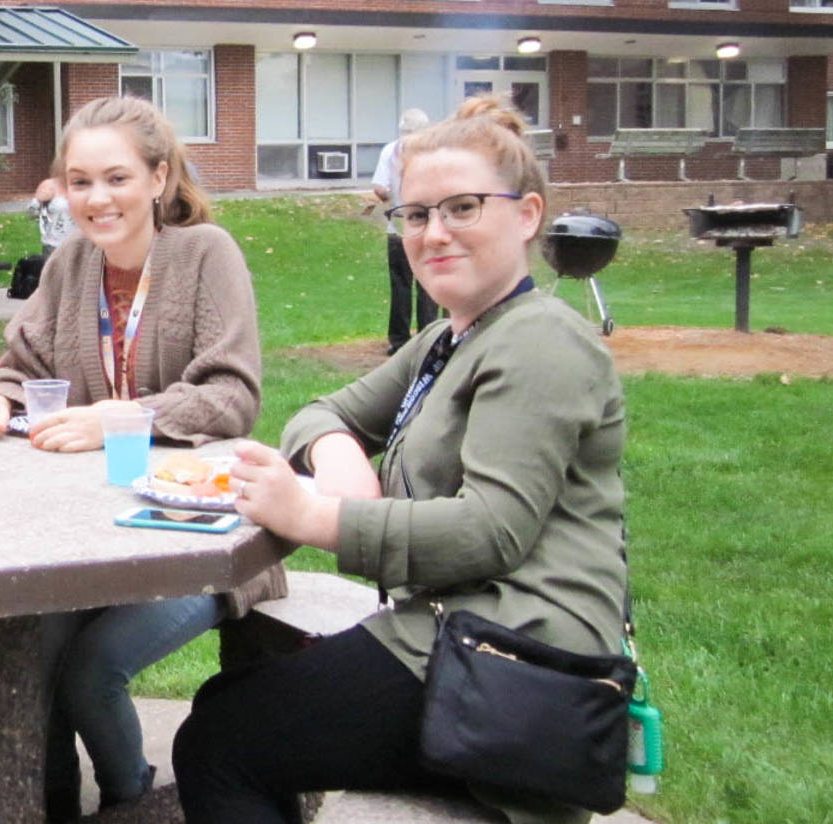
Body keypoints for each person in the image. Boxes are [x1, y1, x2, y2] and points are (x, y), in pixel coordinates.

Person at [172, 96, 628, 824]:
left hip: (518, 659)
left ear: (528, 215)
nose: (433, 233)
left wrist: (319, 517)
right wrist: (339, 454)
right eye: (415, 215)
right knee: (228, 703)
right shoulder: (452, 338)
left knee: (219, 744)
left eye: (463, 208)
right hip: (458, 628)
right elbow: (324, 410)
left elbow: (491, 531)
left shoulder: (543, 341)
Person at [0, 96, 274, 820]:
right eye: (79, 181)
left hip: (196, 534)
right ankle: (54, 803)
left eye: (117, 178)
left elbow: (233, 395)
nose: (96, 200)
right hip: (87, 535)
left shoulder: (205, 255)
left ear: (159, 179)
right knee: (35, 656)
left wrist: (123, 417)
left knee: (92, 671)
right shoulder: (69, 264)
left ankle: (131, 800)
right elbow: (20, 364)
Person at [373, 108, 437, 354]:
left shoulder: (391, 150)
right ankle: (429, 337)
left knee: (400, 283)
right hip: (426, 225)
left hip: (398, 225)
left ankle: (399, 341)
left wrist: (394, 199)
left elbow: (379, 188)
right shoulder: (433, 152)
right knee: (427, 283)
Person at [32, 176, 76, 255]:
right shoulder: (50, 184)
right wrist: (39, 200)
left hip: (77, 244)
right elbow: (33, 211)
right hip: (52, 243)